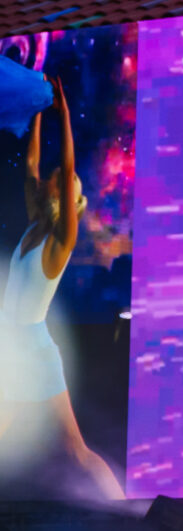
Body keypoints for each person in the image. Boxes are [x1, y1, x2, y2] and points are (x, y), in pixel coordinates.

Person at [1, 80, 121, 500]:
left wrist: (64, 115)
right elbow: (30, 165)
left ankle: (124, 507)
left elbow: (66, 166)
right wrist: (35, 106)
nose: (49, 177)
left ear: (65, 192)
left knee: (76, 450)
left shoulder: (60, 242)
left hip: (34, 350)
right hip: (14, 348)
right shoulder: (37, 224)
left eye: (57, 177)